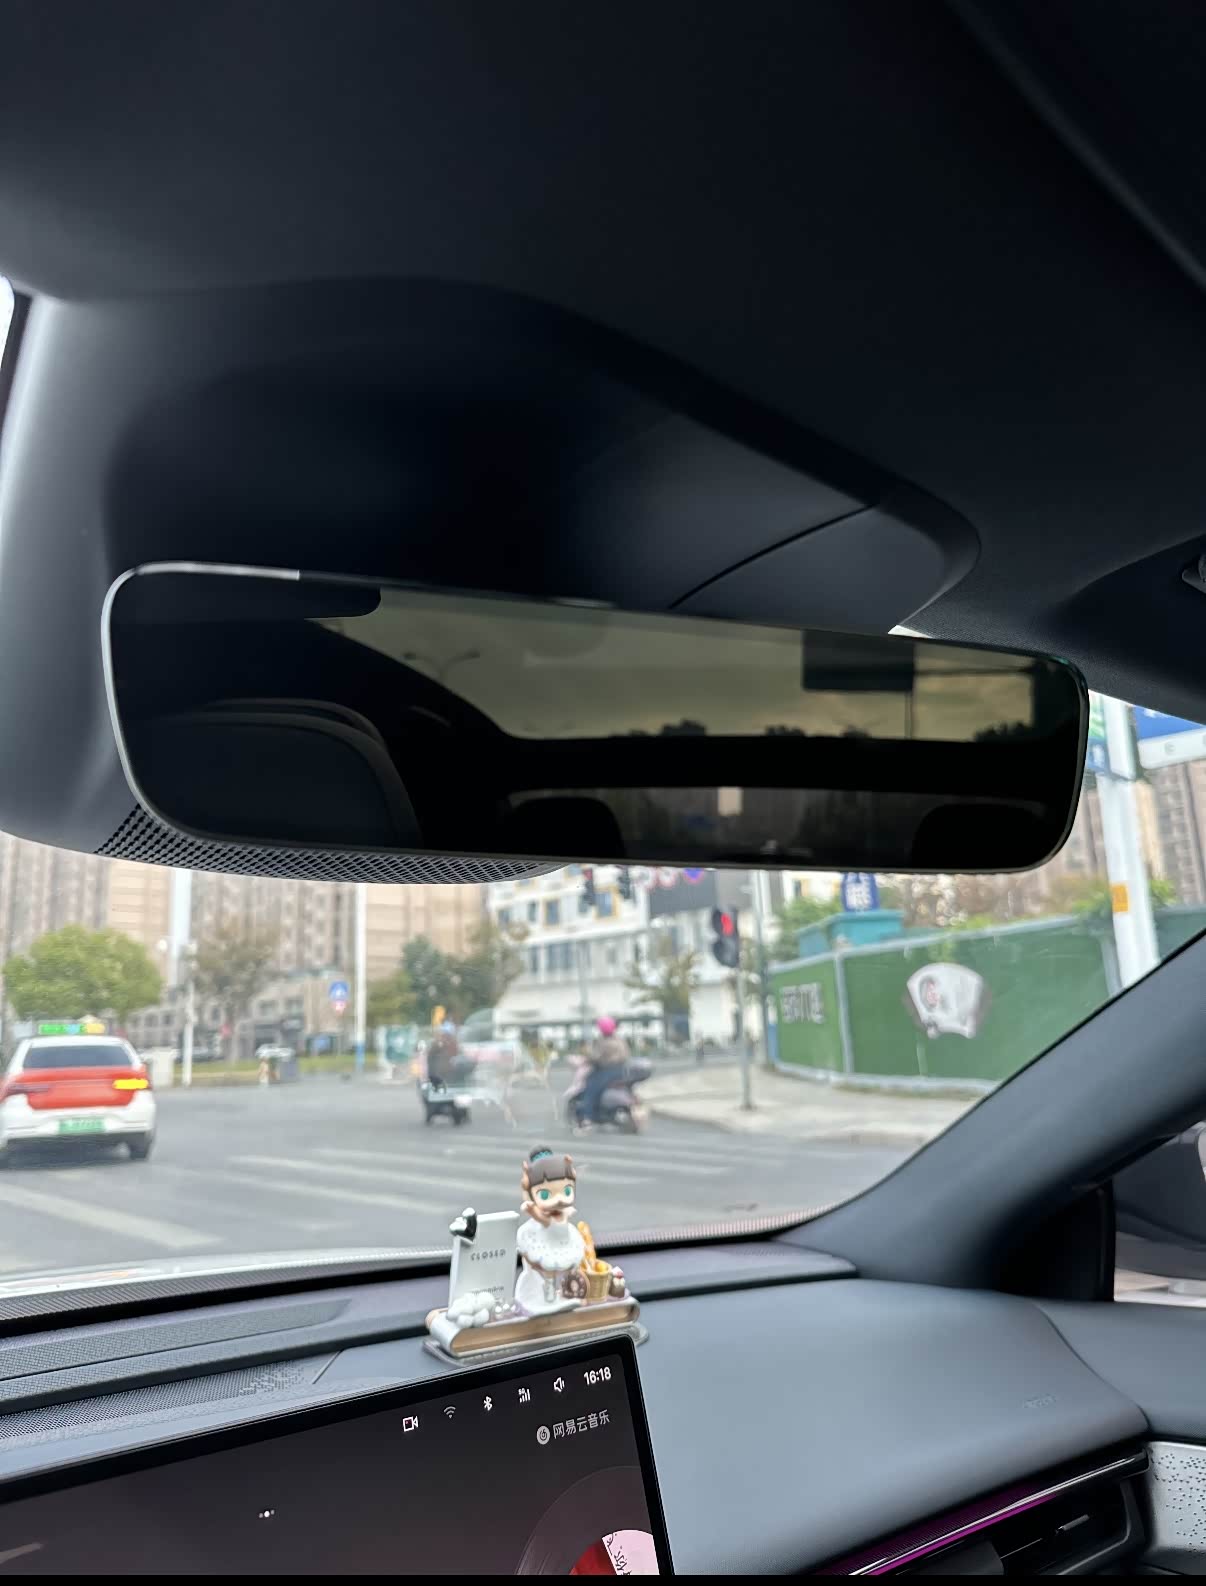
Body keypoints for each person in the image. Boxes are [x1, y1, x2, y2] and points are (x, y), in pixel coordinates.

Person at [575, 1016, 630, 1128]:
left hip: (606, 1071)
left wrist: (586, 1060)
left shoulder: (603, 1041)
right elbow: (626, 1055)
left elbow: (595, 1057)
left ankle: (587, 1117)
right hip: (621, 1071)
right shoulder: (619, 1039)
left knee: (590, 1089)